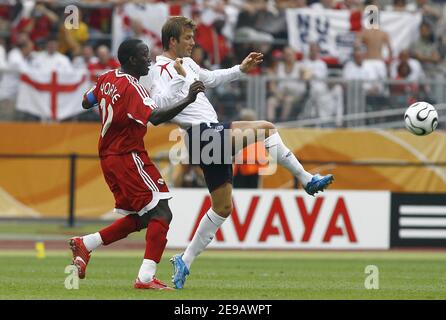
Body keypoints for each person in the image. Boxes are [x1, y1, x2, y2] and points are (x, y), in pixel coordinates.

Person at [144, 16, 334, 289]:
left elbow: (210, 78)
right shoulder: (159, 68)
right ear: (172, 41)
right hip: (201, 134)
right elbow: (157, 108)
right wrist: (179, 81)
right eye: (187, 38)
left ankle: (185, 260)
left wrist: (241, 69)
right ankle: (307, 180)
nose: (193, 42)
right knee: (266, 128)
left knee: (222, 208)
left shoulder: (187, 63)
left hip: (206, 135)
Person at [69, 38, 205, 290]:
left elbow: (86, 101)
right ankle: (145, 278)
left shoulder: (107, 76)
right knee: (162, 212)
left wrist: (107, 102)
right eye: (144, 56)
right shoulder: (134, 89)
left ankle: (86, 244)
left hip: (108, 157)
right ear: (132, 59)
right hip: (128, 155)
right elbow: (155, 118)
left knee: (143, 217)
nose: (149, 60)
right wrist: (188, 98)